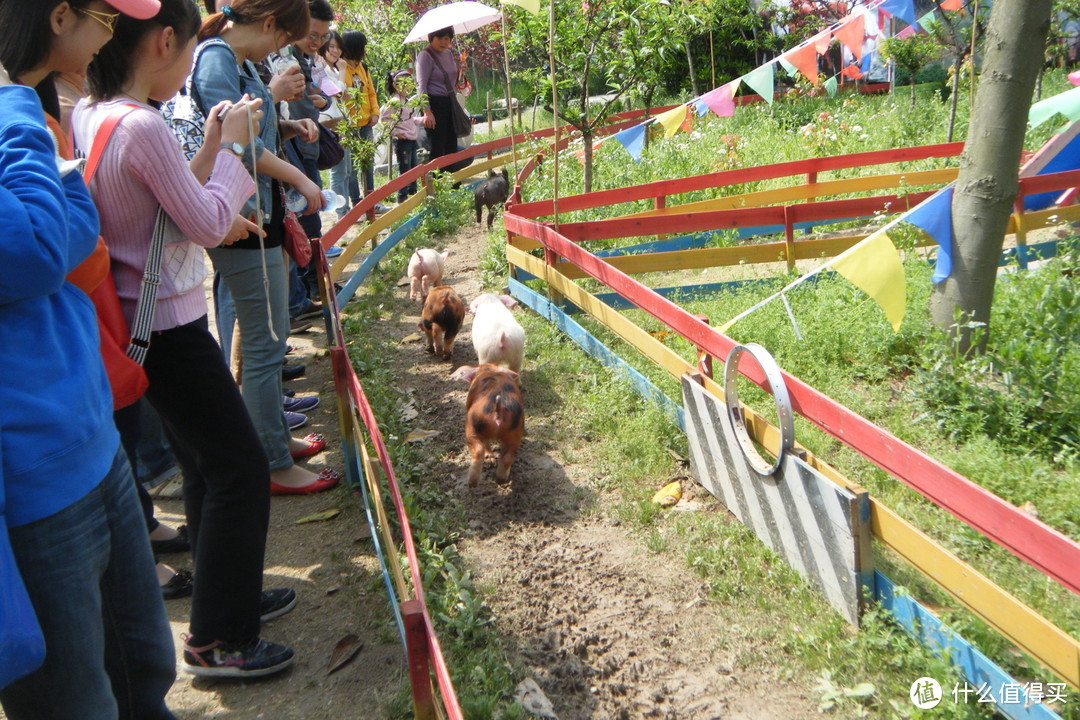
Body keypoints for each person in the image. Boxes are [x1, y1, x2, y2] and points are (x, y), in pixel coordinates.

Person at [0, 0, 178, 715]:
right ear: (58, 14)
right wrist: (19, 114)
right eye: (107, 17)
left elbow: (82, 238)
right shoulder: (21, 117)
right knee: (77, 701)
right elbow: (38, 251)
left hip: (90, 436)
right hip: (32, 478)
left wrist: (61, 179)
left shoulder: (45, 119)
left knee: (142, 666)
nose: (112, 35)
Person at [193, 0, 339, 494]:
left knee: (273, 338)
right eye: (282, 38)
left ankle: (274, 440)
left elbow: (258, 131)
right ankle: (273, 464)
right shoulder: (215, 60)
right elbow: (238, 147)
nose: (281, 49)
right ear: (271, 24)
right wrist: (297, 172)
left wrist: (289, 126)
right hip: (240, 220)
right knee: (261, 346)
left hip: (263, 215)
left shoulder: (240, 62)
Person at [277, 0, 332, 326]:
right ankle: (303, 294)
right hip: (290, 152)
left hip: (303, 147)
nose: (317, 42)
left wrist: (316, 101)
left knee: (309, 221)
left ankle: (307, 290)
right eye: (312, 34)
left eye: (323, 37)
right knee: (303, 222)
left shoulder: (305, 59)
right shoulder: (280, 60)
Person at [340, 30, 387, 213]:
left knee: (368, 163)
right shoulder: (341, 69)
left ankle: (371, 201)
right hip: (349, 125)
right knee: (351, 167)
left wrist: (375, 113)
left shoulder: (363, 67)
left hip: (366, 123)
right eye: (363, 47)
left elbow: (371, 92)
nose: (365, 50)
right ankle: (356, 202)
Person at [417, 26, 459, 163]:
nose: (443, 42)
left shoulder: (448, 54)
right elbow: (421, 86)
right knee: (438, 147)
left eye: (446, 39)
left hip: (449, 102)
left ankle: (453, 182)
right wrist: (427, 112)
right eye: (439, 38)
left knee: (452, 145)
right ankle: (437, 182)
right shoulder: (425, 56)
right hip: (434, 104)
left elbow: (451, 81)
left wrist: (461, 70)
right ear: (431, 38)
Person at [381, 69, 422, 203]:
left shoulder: (407, 101)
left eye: (409, 83)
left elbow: (409, 120)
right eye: (403, 84)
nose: (407, 87)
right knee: (404, 169)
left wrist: (422, 120)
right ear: (395, 85)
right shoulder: (394, 102)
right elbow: (385, 120)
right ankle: (402, 196)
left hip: (411, 139)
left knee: (414, 167)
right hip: (402, 140)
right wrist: (396, 133)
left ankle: (413, 193)